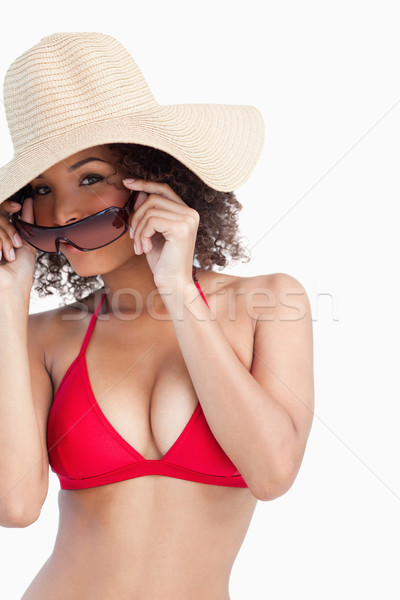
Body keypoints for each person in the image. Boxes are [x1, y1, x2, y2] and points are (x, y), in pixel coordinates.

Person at [0, 33, 315, 600]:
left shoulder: (270, 302)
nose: (63, 211)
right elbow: (15, 506)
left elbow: (272, 474)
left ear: (153, 175)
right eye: (41, 189)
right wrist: (8, 294)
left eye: (90, 177)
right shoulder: (41, 334)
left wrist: (177, 285)